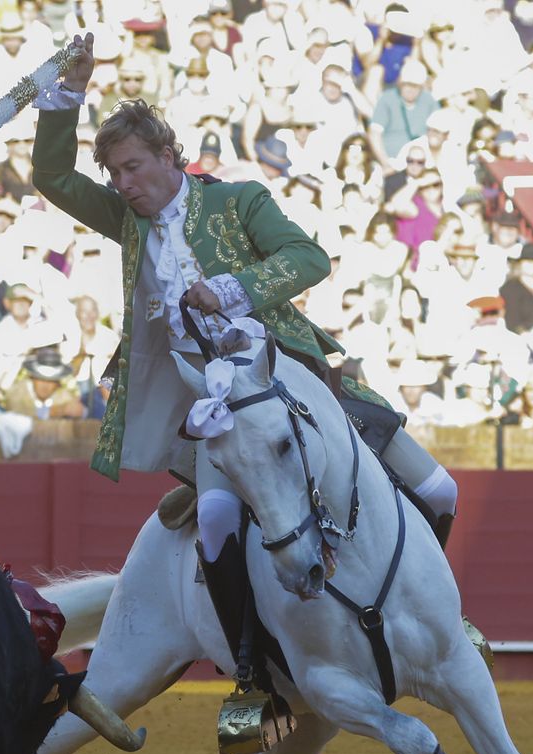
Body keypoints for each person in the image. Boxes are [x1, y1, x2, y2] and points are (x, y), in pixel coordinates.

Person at [31, 33, 471, 694]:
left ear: (167, 156)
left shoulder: (238, 202)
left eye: (132, 168)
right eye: (115, 174)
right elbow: (52, 178)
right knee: (214, 518)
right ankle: (250, 676)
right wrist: (64, 93)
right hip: (211, 410)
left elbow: (309, 260)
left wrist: (232, 288)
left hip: (291, 381)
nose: (123, 185)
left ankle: (439, 624)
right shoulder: (127, 220)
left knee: (440, 491)